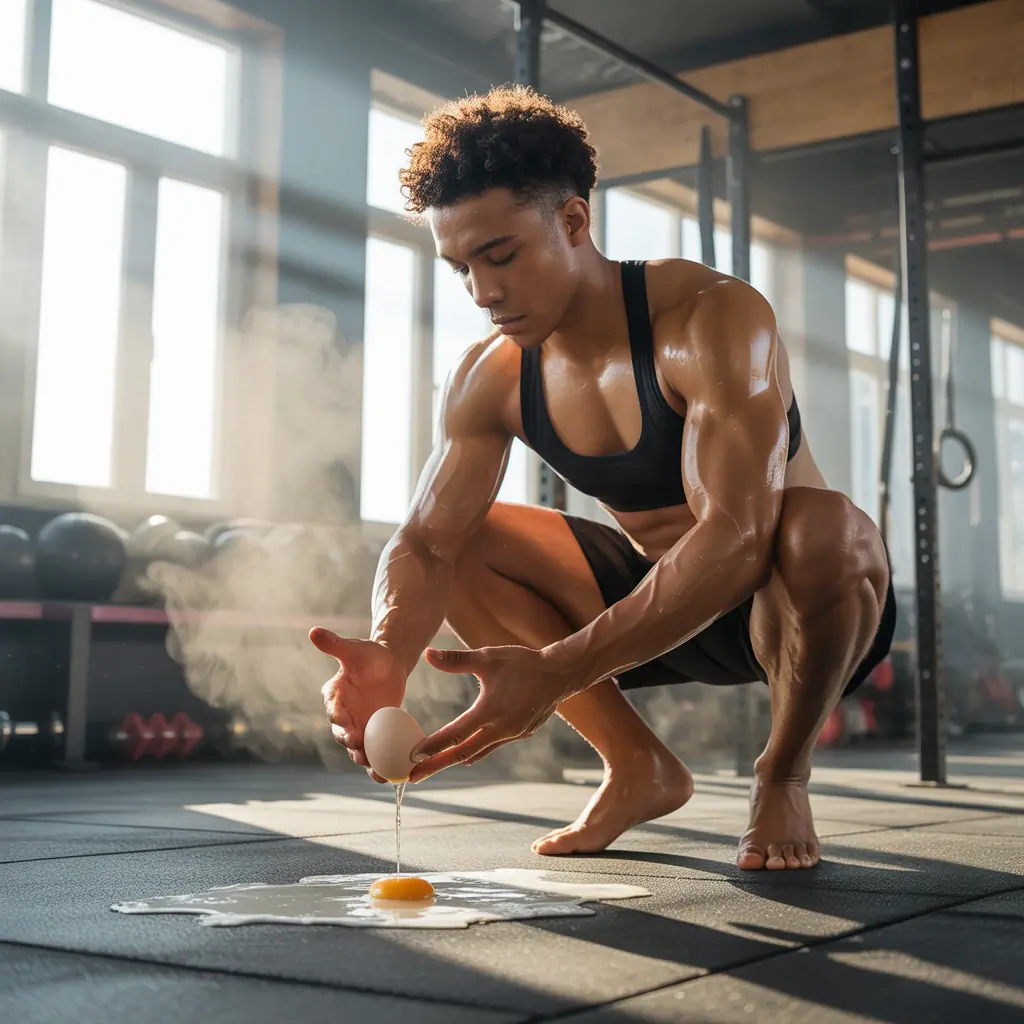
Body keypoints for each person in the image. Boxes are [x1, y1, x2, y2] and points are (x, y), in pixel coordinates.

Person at [311, 85, 896, 871]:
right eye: (461, 269)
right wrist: (392, 649)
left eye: (502, 255)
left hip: (794, 607)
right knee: (468, 541)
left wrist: (555, 672)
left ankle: (782, 771)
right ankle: (638, 767)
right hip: (661, 606)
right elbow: (423, 542)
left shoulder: (710, 318)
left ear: (575, 222)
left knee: (826, 527)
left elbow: (738, 534)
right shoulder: (490, 376)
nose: (484, 292)